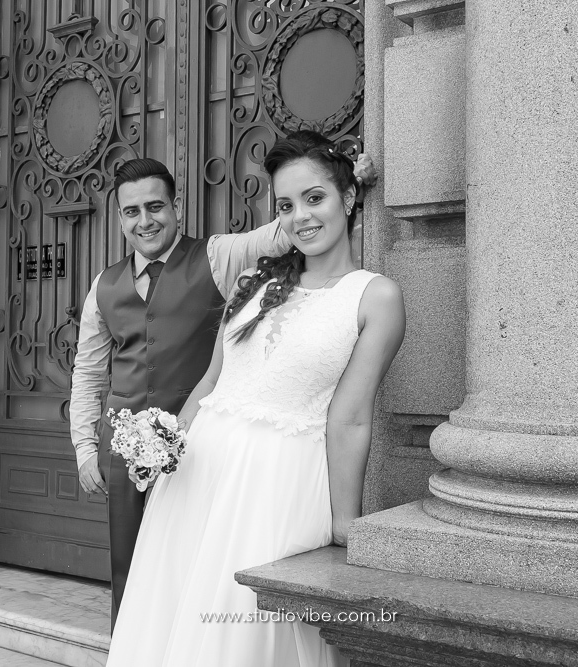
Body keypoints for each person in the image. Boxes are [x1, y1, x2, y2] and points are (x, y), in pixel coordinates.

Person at [105, 131, 406, 666]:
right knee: (174, 622)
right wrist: (167, 445)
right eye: (286, 206)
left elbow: (351, 418)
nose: (300, 217)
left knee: (243, 635)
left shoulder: (374, 295)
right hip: (195, 478)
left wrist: (345, 522)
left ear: (348, 198)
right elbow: (210, 383)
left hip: (276, 487)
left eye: (314, 198)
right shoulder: (252, 281)